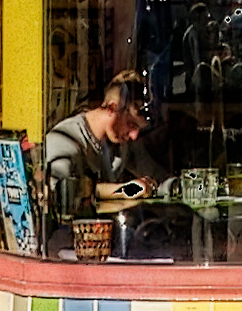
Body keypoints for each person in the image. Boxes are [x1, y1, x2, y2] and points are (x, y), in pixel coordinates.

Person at [41, 73, 159, 219]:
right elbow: (59, 193)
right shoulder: (64, 141)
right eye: (131, 124)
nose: (134, 136)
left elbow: (156, 175)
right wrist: (123, 190)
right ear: (111, 108)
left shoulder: (120, 146)